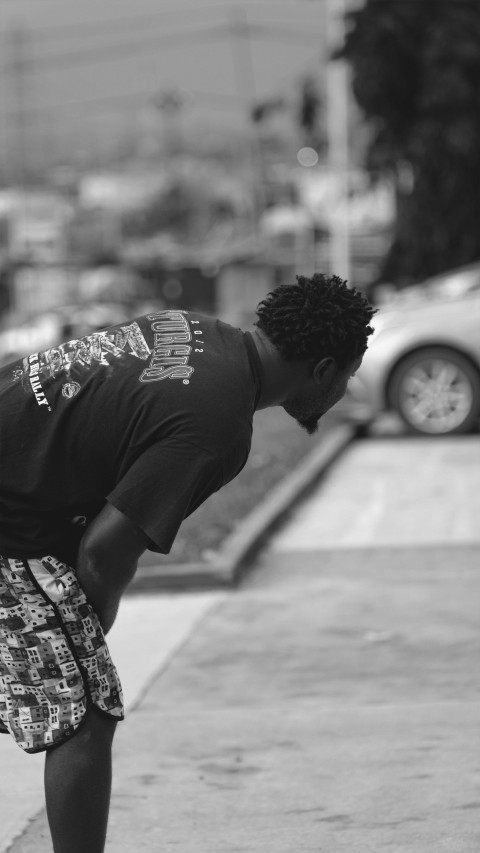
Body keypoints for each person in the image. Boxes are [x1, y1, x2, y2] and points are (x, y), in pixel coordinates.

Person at [0, 272, 376, 852]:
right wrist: (93, 625)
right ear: (324, 369)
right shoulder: (217, 422)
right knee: (83, 713)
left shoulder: (194, 330)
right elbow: (106, 549)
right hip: (11, 529)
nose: (343, 392)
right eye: (347, 376)